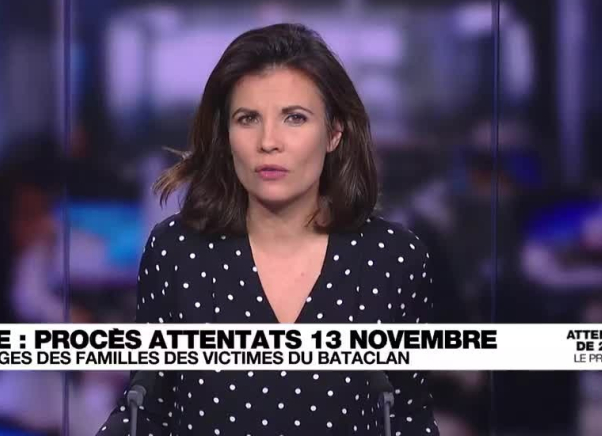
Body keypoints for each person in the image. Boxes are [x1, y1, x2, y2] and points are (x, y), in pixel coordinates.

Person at [97, 22, 439, 435]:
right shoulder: (176, 253)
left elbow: (408, 417)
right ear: (226, 135)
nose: (269, 141)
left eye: (294, 118)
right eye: (248, 119)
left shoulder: (393, 260)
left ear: (334, 133)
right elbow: (146, 410)